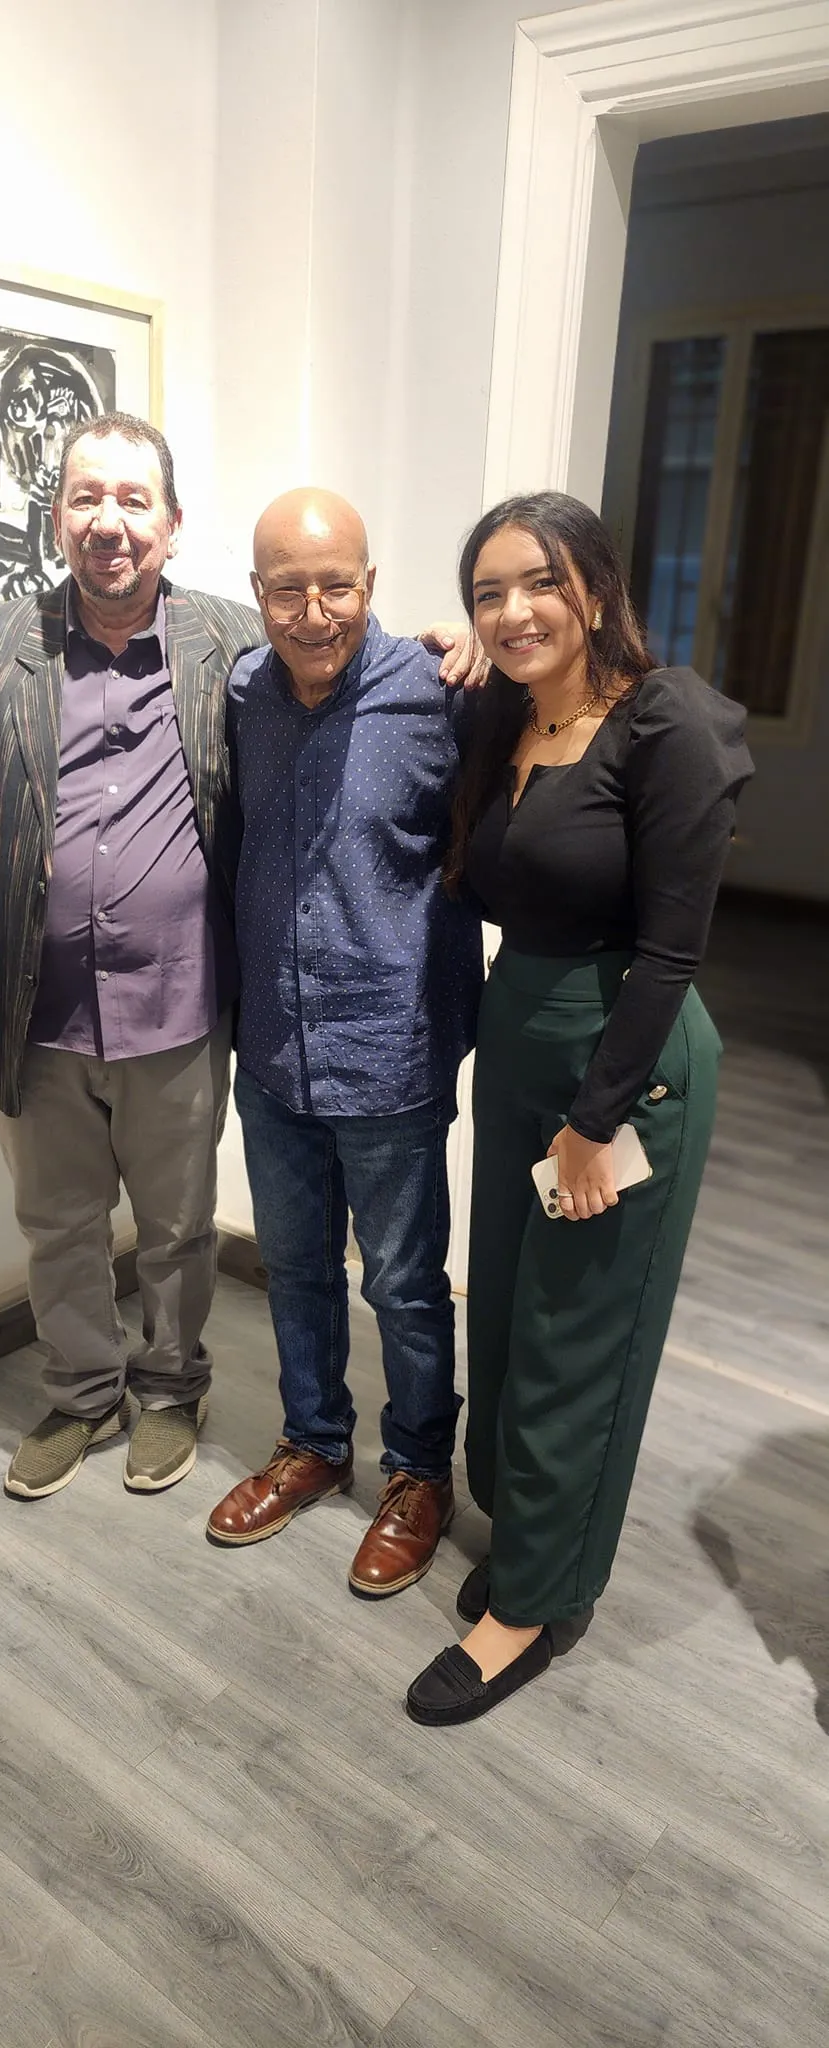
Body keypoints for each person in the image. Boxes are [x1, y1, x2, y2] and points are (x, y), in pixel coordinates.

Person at [405, 491, 753, 1725]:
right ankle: (534, 1531)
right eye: (487, 592)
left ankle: (538, 1603)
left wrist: (596, 1119)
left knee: (575, 1334)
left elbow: (671, 952)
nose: (513, 611)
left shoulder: (667, 724)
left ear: (596, 588)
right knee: (503, 1301)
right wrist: (447, 652)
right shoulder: (508, 717)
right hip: (520, 1043)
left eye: (540, 582)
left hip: (625, 1062)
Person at [0, 412, 264, 1500]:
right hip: (35, 1003)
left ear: (172, 522)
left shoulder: (235, 640)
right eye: (86, 497)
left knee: (176, 1226)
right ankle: (81, 1392)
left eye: (132, 499)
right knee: (59, 1223)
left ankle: (170, 1388)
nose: (108, 522)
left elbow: (342, 667)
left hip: (181, 1000)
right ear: (57, 514)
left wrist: (454, 646)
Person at [206, 489, 483, 1597]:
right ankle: (314, 1442)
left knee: (406, 1286)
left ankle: (419, 1471)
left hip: (392, 1047)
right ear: (258, 592)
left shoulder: (442, 692)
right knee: (296, 1268)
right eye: (288, 588)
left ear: (371, 585)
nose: (312, 611)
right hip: (274, 1046)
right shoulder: (242, 692)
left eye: (336, 585)